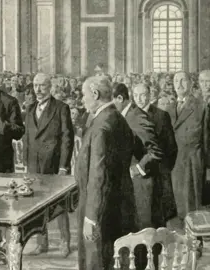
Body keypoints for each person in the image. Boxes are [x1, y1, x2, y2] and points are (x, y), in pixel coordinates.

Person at [75, 76, 136, 270]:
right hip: (117, 205)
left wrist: (91, 217)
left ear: (95, 94)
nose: (82, 100)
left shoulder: (101, 125)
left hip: (100, 210)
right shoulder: (117, 118)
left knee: (97, 261)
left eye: (84, 95)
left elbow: (98, 175)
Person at [23, 73, 74, 257]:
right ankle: (41, 243)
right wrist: (26, 165)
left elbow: (67, 139)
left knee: (59, 207)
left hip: (53, 166)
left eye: (42, 86)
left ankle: (64, 242)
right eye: (36, 85)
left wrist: (63, 167)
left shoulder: (61, 108)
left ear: (50, 87)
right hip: (34, 166)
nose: (38, 89)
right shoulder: (29, 109)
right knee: (37, 207)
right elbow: (28, 139)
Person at [112, 83, 163, 230]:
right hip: (130, 182)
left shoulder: (137, 116)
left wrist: (139, 168)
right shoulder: (126, 115)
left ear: (120, 98)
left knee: (143, 227)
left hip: (141, 182)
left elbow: (156, 151)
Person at [133, 83, 178, 227]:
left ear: (149, 96)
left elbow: (171, 148)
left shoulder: (161, 115)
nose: (139, 99)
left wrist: (163, 171)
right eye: (136, 95)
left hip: (157, 176)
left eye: (143, 95)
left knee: (157, 219)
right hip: (136, 176)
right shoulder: (129, 116)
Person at [171, 71, 210, 227]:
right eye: (176, 81)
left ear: (191, 83)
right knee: (178, 211)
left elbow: (206, 141)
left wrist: (207, 168)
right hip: (174, 165)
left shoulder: (201, 107)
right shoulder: (169, 108)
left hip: (193, 165)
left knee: (193, 211)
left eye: (183, 81)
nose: (179, 84)